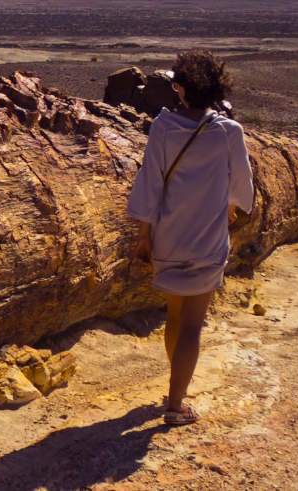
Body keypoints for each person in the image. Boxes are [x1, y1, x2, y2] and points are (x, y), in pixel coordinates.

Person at [126, 50, 254, 426]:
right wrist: (230, 204)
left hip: (168, 235)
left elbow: (149, 181)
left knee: (175, 314)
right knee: (194, 324)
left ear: (179, 87)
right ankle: (176, 404)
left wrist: (144, 235)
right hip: (207, 239)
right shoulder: (229, 132)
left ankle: (174, 389)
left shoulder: (163, 128)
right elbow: (242, 185)